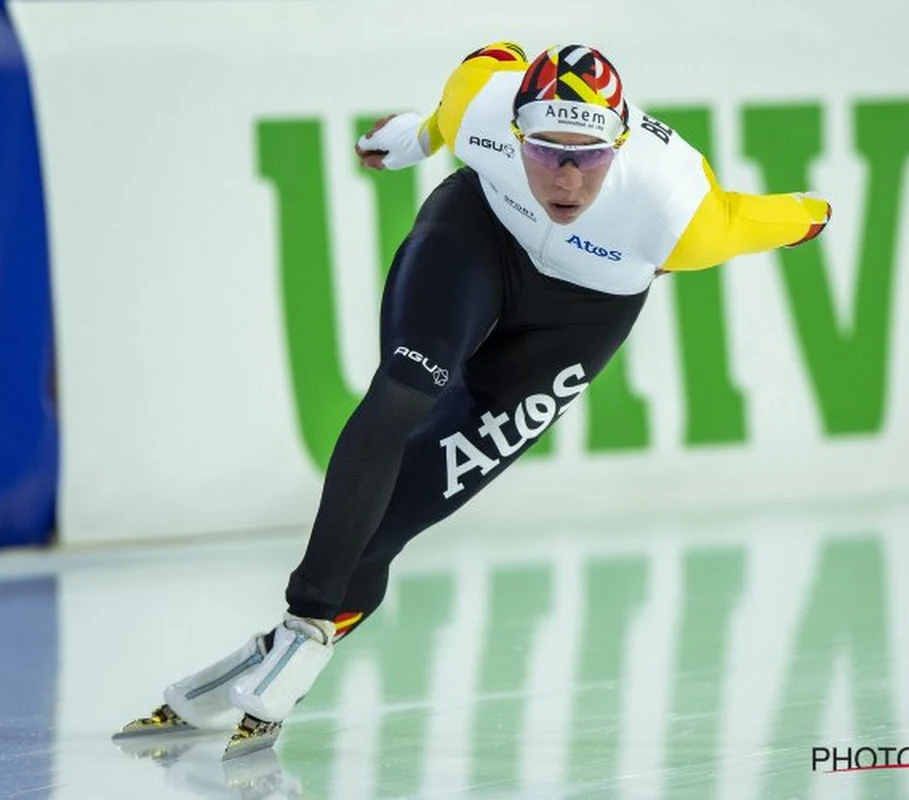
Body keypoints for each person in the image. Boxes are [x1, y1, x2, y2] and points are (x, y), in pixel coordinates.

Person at [114, 41, 831, 759]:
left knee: (402, 511)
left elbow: (759, 215)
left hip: (578, 320)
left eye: (591, 156)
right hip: (478, 236)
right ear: (513, 131)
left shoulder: (677, 208)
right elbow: (473, 83)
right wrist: (421, 135)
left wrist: (813, 212)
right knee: (403, 387)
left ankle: (270, 654)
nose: (570, 178)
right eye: (548, 151)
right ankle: (306, 627)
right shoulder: (478, 108)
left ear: (621, 145)